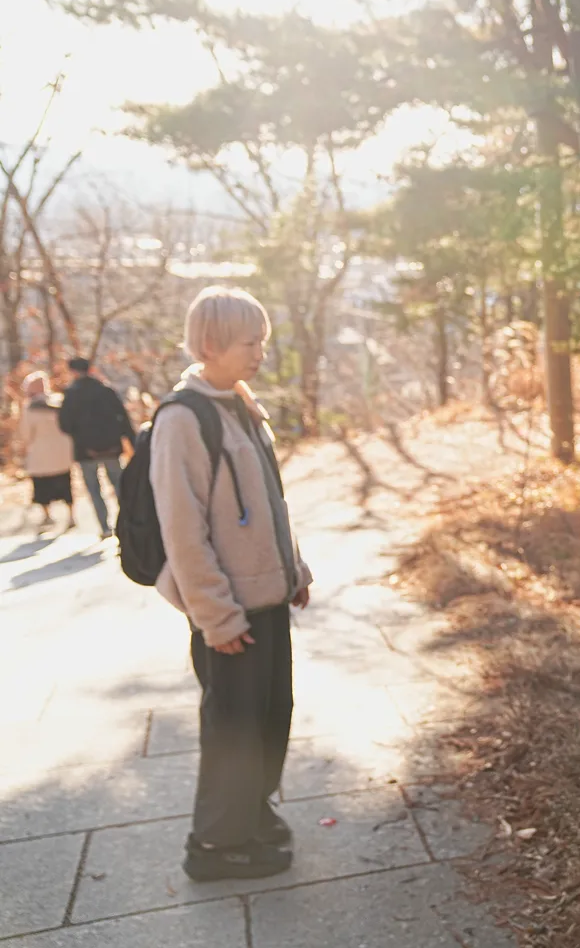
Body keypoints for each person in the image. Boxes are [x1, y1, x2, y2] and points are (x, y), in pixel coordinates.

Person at [150, 286, 313, 882]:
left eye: (263, 342)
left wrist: (294, 568)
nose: (260, 354)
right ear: (211, 344)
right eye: (250, 343)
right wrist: (216, 617)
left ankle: (250, 812)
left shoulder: (241, 405)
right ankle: (215, 846)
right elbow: (183, 530)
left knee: (272, 715)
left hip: (267, 600)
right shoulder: (183, 418)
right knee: (233, 730)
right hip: (229, 614)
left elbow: (271, 501)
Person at [58, 357, 135, 538]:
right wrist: (130, 440)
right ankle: (127, 522)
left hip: (85, 451)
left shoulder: (71, 394)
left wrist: (79, 435)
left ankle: (105, 526)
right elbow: (123, 417)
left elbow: (64, 425)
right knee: (118, 485)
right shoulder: (106, 390)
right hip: (112, 447)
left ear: (73, 371)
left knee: (94, 489)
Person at [17, 371, 77, 531]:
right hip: (63, 450)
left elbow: (26, 432)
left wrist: (25, 446)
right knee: (65, 482)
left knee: (41, 484)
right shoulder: (59, 400)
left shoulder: (29, 408)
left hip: (40, 451)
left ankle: (47, 515)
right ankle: (71, 514)